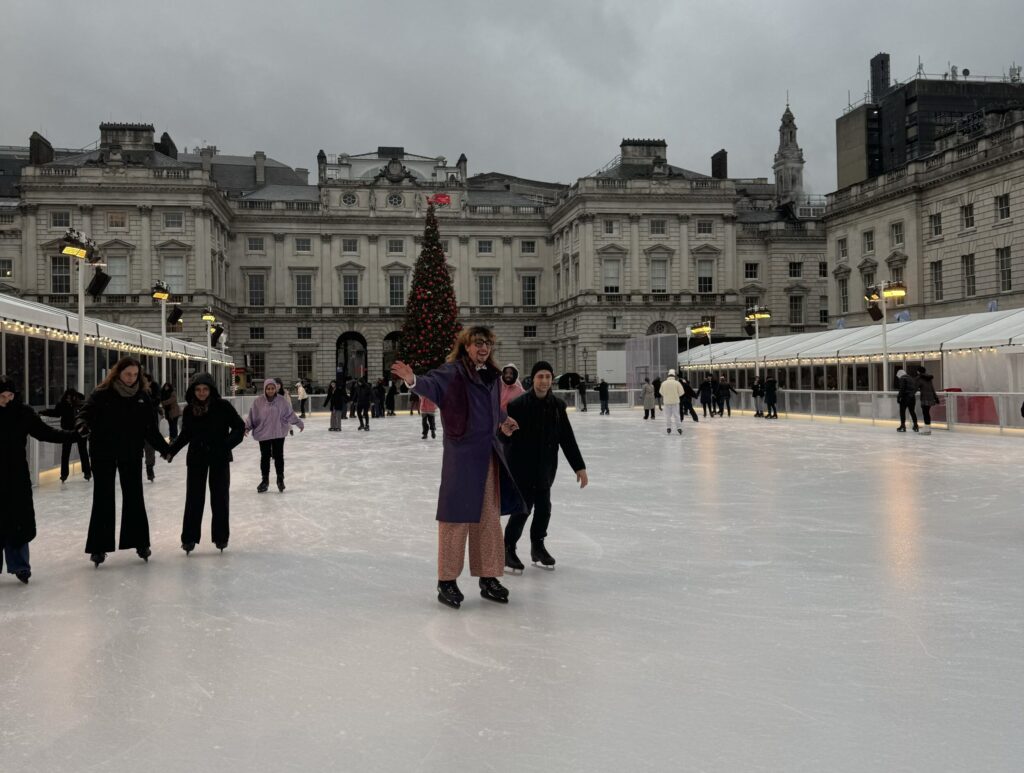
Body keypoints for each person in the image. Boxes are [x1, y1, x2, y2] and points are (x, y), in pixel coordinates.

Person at [391, 326, 524, 610]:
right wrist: (412, 380)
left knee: (488, 519)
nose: (483, 348)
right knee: (456, 519)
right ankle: (447, 581)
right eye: (478, 343)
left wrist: (504, 420)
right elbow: (430, 385)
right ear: (466, 346)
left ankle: (488, 576)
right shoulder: (453, 372)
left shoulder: (493, 377)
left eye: (487, 343)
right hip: (462, 457)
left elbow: (492, 408)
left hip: (489, 456)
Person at [77, 357, 171, 566]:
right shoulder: (102, 394)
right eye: (128, 374)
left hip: (130, 452)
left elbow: (150, 430)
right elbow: (85, 413)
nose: (131, 378)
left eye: (135, 375)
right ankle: (98, 547)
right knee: (103, 497)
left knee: (134, 496)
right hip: (103, 452)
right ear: (118, 373)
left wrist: (165, 450)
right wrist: (82, 424)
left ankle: (140, 542)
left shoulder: (142, 397)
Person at [502, 361, 588, 572]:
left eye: (548, 377)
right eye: (540, 376)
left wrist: (579, 466)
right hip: (521, 468)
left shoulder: (557, 406)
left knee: (544, 509)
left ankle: (537, 547)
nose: (545, 381)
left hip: (546, 468)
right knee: (522, 510)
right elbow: (505, 439)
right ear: (533, 379)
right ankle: (508, 548)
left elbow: (567, 438)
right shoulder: (517, 405)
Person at [0, 374, 78, 583]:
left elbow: (45, 433)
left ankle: (20, 566)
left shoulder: (22, 413)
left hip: (16, 475)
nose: (7, 400)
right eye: (2, 396)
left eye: (10, 395)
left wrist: (73, 435)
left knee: (18, 522)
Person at [167, 373, 245, 554]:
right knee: (194, 498)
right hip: (196, 458)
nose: (201, 393)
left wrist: (225, 445)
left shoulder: (223, 406)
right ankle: (189, 538)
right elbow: (186, 434)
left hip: (219, 457)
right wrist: (171, 450)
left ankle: (221, 537)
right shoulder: (189, 410)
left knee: (219, 498)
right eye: (198, 389)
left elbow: (239, 427)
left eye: (205, 389)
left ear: (211, 390)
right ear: (193, 391)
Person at [244, 378, 304, 493]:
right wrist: (247, 427)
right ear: (265, 389)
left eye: (272, 388)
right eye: (268, 388)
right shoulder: (258, 402)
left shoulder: (281, 401)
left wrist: (298, 423)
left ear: (275, 389)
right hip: (263, 433)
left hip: (278, 432)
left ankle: (280, 479)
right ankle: (265, 481)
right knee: (265, 457)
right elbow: (252, 416)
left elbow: (290, 414)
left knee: (278, 456)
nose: (270, 391)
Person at [40, 387, 91, 483]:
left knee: (82, 452)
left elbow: (86, 411)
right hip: (67, 432)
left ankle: (86, 472)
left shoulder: (79, 403)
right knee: (66, 453)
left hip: (79, 430)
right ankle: (64, 474)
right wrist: (44, 412)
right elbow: (56, 413)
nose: (68, 399)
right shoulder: (63, 404)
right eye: (67, 397)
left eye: (70, 397)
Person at [660, 369, 685, 435]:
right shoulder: (677, 383)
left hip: (666, 402)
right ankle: (679, 428)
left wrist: (666, 396)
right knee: (676, 415)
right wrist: (676, 395)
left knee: (668, 416)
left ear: (668, 375)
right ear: (674, 375)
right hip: (675, 402)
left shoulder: (664, 383)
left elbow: (661, 392)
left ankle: (668, 427)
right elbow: (681, 392)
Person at [917, 365, 939, 435]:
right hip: (930, 398)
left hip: (924, 398)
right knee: (927, 413)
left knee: (925, 413)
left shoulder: (920, 378)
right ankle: (928, 428)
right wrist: (936, 398)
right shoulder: (929, 379)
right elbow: (932, 388)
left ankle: (927, 429)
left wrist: (910, 394)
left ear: (919, 372)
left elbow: (915, 387)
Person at [896, 368, 919, 432]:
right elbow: (915, 388)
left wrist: (898, 397)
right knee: (912, 411)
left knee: (902, 412)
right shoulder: (911, 378)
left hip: (905, 397)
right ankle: (915, 425)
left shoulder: (902, 378)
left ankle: (903, 426)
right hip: (912, 397)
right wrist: (911, 394)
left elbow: (902, 389)